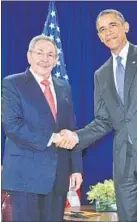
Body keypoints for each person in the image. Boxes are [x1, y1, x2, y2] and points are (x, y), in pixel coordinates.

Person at [55, 9, 137, 221]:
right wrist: (76, 137)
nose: (108, 32)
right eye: (102, 29)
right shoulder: (101, 74)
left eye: (112, 25)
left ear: (126, 27)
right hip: (124, 164)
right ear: (99, 37)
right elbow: (103, 121)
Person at [1, 35, 83, 222]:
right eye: (39, 53)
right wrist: (52, 138)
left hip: (59, 177)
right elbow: (12, 125)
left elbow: (71, 129)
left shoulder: (64, 88)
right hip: (25, 177)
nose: (44, 59)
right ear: (29, 56)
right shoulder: (12, 83)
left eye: (50, 55)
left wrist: (76, 168)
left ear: (56, 60)